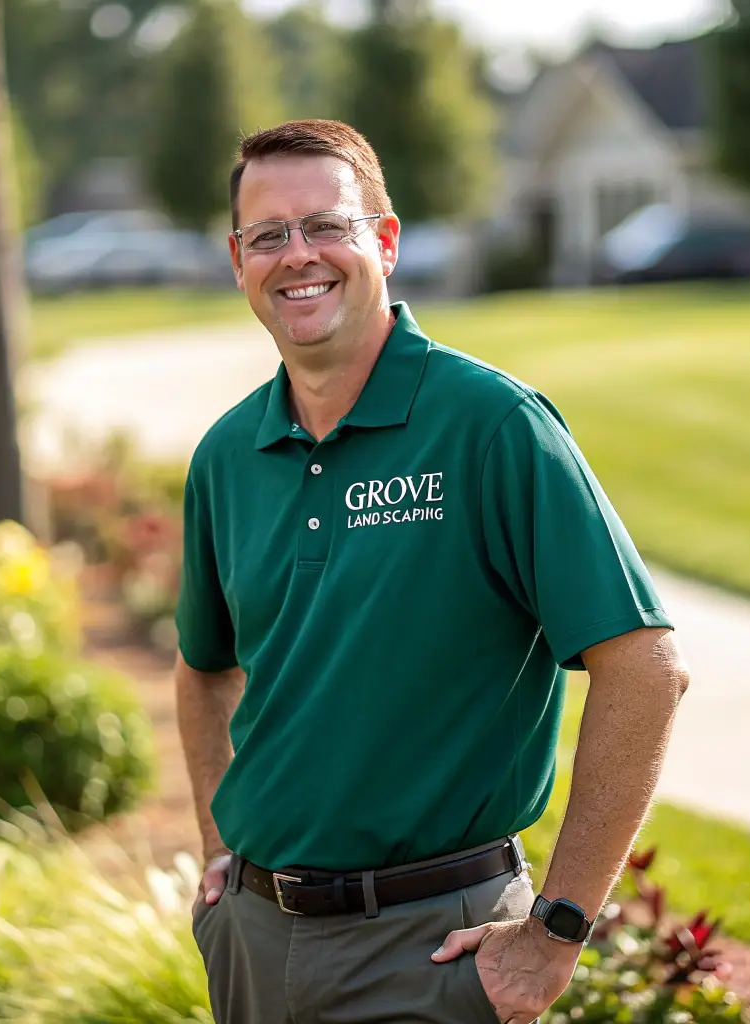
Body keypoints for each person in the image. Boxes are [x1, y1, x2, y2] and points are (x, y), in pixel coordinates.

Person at [175, 118, 689, 1024]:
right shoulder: (226, 454)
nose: (299, 255)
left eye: (327, 225)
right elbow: (202, 668)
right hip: (254, 944)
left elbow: (645, 668)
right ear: (237, 259)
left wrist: (557, 931)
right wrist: (219, 844)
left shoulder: (491, 425)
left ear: (385, 239)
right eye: (268, 235)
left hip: (433, 950)